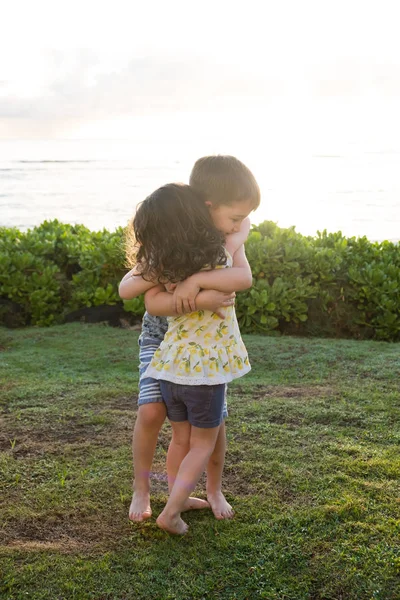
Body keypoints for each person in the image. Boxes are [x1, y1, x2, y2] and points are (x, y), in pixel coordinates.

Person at [119, 155, 260, 524]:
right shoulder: (171, 236)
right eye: (234, 219)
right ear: (208, 205)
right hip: (161, 338)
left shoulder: (222, 235)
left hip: (204, 347)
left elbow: (237, 271)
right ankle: (143, 489)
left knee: (214, 425)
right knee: (152, 411)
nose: (239, 224)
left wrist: (217, 260)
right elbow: (133, 290)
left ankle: (211, 489)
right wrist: (190, 288)